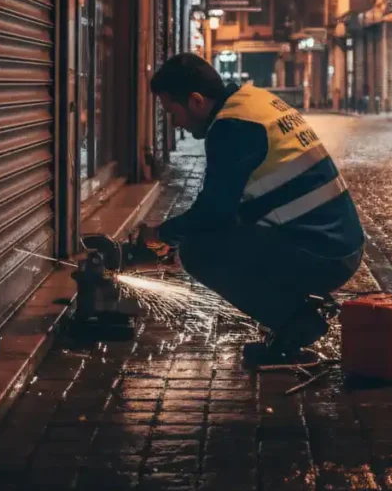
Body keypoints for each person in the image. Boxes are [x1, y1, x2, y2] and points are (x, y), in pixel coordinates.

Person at [141, 53, 365, 364]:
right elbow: (233, 207)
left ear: (195, 101)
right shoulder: (253, 101)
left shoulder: (232, 128)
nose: (175, 122)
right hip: (338, 243)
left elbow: (213, 212)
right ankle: (295, 308)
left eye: (172, 112)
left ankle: (296, 324)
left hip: (325, 254)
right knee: (217, 237)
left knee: (198, 250)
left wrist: (160, 235)